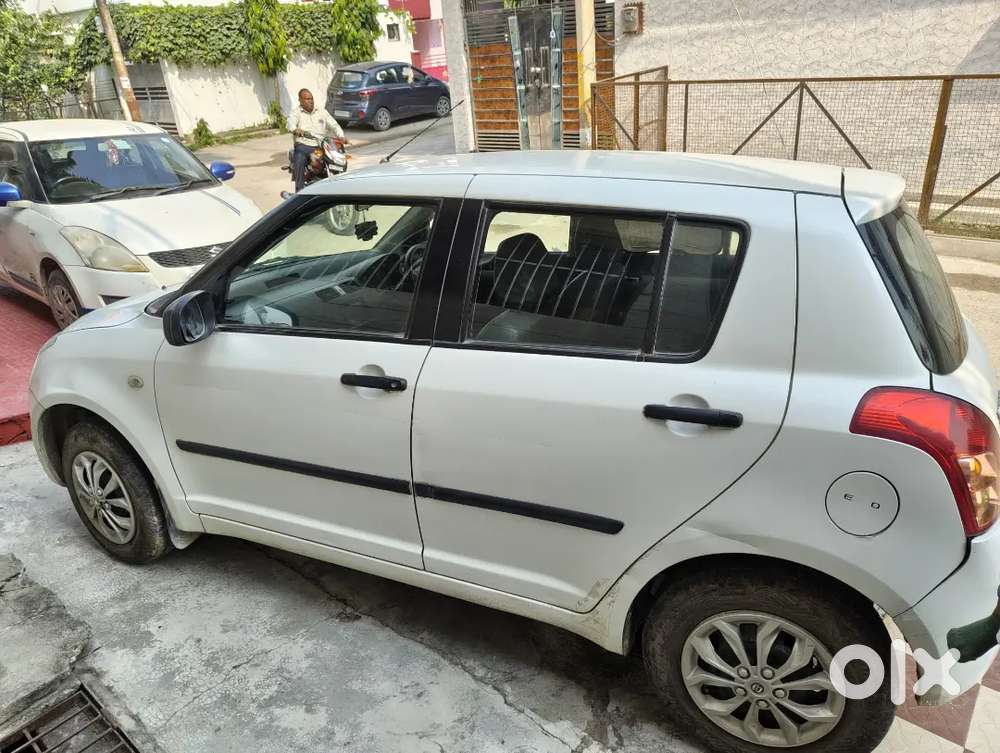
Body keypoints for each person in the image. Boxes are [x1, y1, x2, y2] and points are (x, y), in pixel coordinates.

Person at [290, 88, 344, 192]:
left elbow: (334, 124)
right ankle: (299, 191)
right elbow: (290, 124)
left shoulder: (321, 111)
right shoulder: (296, 113)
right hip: (304, 145)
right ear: (300, 100)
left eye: (311, 98)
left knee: (338, 159)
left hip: (321, 145)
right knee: (300, 158)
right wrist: (296, 130)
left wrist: (341, 136)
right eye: (307, 99)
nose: (310, 101)